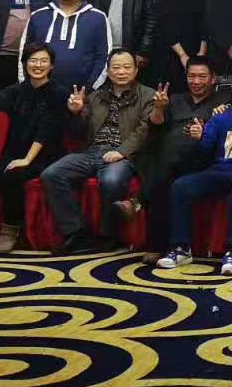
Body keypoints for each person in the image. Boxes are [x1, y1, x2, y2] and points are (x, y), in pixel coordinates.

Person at [0, 43, 68, 254]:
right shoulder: (18, 90)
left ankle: (9, 232)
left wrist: (27, 160)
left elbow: (47, 130)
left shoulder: (59, 93)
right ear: (25, 64)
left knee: (14, 177)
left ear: (51, 66)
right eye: (33, 60)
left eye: (43, 61)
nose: (38, 65)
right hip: (14, 151)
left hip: (44, 155)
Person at [40, 48, 156, 254]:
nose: (121, 72)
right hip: (92, 151)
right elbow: (78, 133)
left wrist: (122, 151)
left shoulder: (148, 95)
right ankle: (76, 232)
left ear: (136, 70)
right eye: (116, 67)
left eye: (127, 67)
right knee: (52, 174)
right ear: (108, 72)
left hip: (124, 154)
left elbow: (145, 129)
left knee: (111, 180)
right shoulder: (95, 96)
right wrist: (76, 113)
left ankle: (108, 235)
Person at [157, 71, 232, 276]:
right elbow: (207, 148)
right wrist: (200, 135)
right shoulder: (221, 116)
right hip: (219, 171)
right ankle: (181, 248)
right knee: (180, 186)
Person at [126, 56, 230, 263]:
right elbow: (156, 127)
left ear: (213, 79)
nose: (196, 81)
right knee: (161, 172)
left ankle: (140, 207)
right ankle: (162, 244)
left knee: (163, 167)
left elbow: (229, 136)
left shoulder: (223, 102)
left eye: (202, 76)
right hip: (170, 161)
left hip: (201, 158)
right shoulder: (175, 99)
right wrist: (158, 108)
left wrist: (206, 131)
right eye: (192, 76)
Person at [18, 0, 111, 90]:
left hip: (82, 94)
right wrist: (27, 86)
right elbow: (24, 54)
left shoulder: (98, 18)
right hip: (40, 91)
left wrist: (89, 90)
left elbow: (104, 57)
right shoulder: (38, 16)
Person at [150, 0, 208, 89]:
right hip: (170, 51)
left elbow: (205, 21)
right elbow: (165, 26)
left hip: (196, 49)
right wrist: (182, 55)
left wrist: (201, 52)